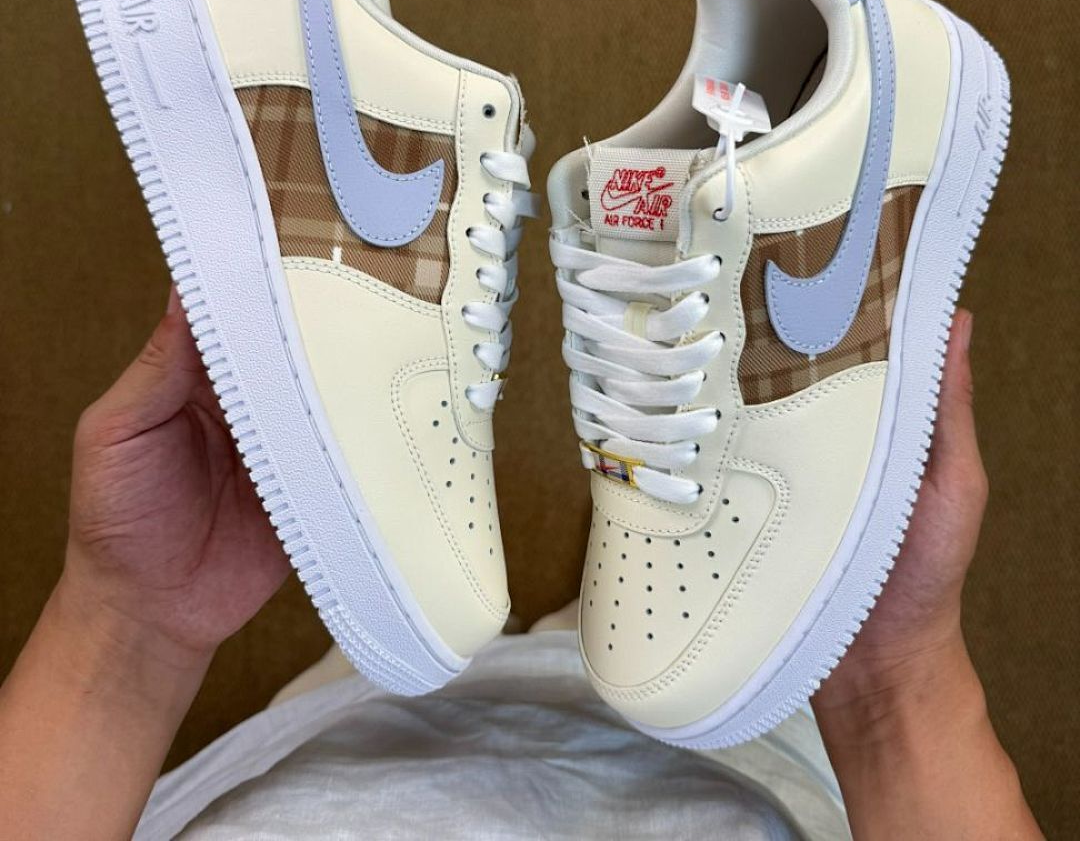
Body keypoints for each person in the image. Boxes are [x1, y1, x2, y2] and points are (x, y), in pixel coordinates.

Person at [0, 294, 1042, 839]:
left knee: (393, 653)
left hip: (320, 753)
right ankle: (624, 567)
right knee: (674, 649)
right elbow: (887, 705)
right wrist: (893, 689)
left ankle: (535, 571)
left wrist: (127, 632)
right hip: (747, 761)